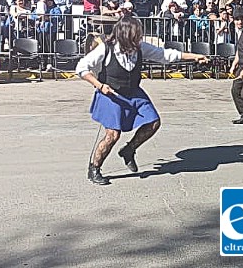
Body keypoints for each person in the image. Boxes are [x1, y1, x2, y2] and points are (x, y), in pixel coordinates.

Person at [75, 16, 208, 185]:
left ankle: (129, 150)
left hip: (133, 92)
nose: (140, 39)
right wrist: (99, 85)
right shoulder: (105, 49)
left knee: (153, 122)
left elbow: (165, 55)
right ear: (125, 35)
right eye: (137, 35)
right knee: (113, 135)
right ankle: (94, 168)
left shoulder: (140, 48)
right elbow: (81, 67)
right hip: (111, 94)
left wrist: (194, 56)